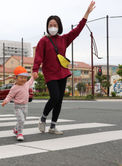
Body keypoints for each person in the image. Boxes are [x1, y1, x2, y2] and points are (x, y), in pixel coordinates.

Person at [32, 1, 96, 135]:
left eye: (55, 25)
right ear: (47, 26)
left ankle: (53, 126)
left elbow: (77, 30)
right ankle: (43, 118)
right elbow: (38, 56)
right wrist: (35, 70)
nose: (52, 27)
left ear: (59, 26)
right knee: (54, 97)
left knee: (59, 100)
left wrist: (86, 14)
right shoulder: (43, 40)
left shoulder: (64, 39)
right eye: (50, 25)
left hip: (62, 73)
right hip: (50, 74)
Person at [2, 66, 35, 141]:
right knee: (21, 120)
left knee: (23, 119)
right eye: (21, 77)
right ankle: (19, 133)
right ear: (16, 78)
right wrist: (5, 101)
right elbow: (10, 95)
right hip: (17, 107)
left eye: (25, 77)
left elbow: (30, 81)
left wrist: (33, 77)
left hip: (25, 106)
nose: (23, 79)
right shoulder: (14, 87)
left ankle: (16, 129)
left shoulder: (26, 84)